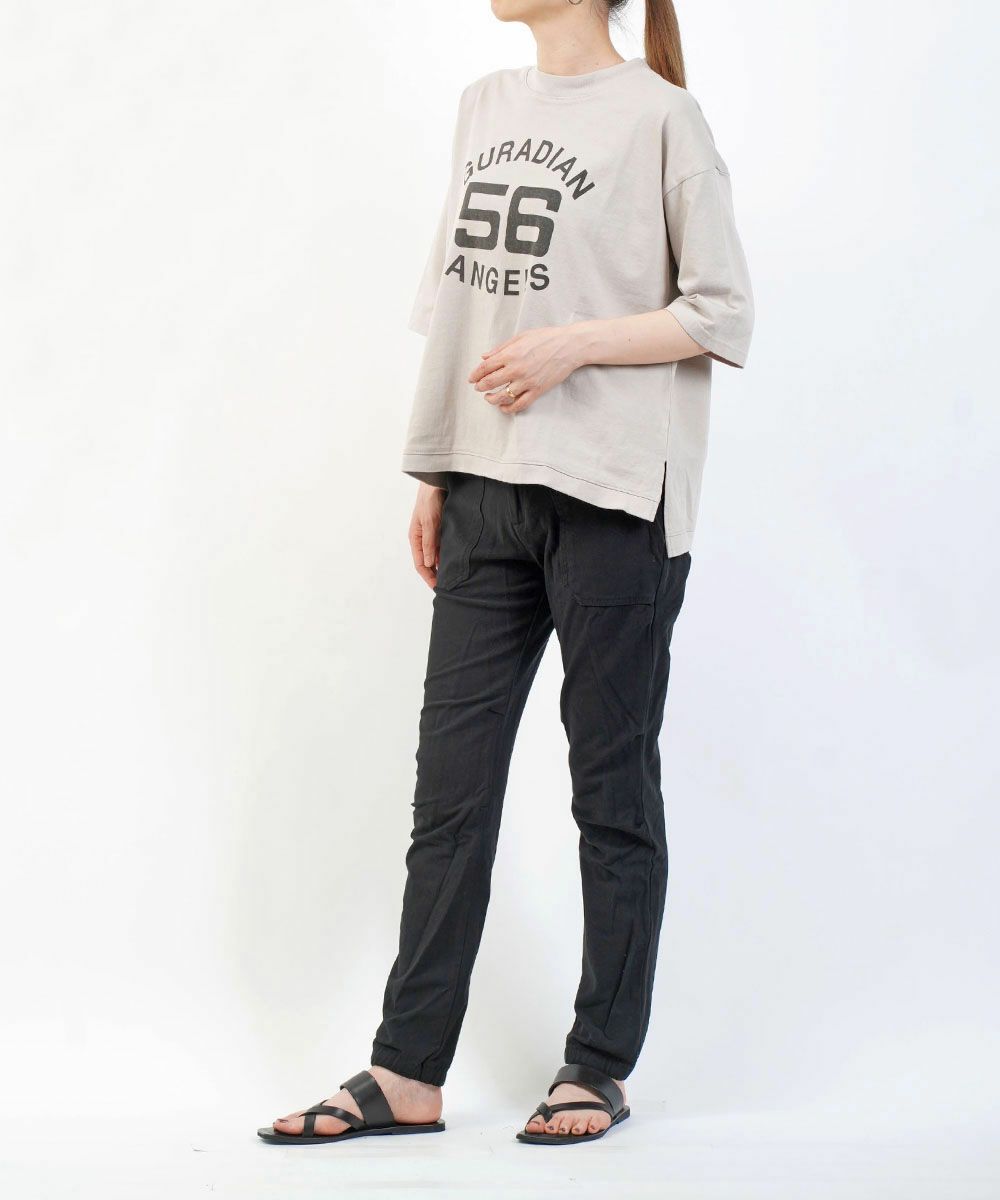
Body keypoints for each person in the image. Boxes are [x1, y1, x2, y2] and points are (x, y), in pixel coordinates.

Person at [258, 0, 753, 1148]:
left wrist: (576, 342)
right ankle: (407, 1071)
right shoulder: (483, 105)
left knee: (609, 790)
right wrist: (433, 469)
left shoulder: (663, 119)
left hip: (613, 498)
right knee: (450, 794)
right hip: (483, 489)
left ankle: (597, 1064)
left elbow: (720, 310)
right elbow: (457, 306)